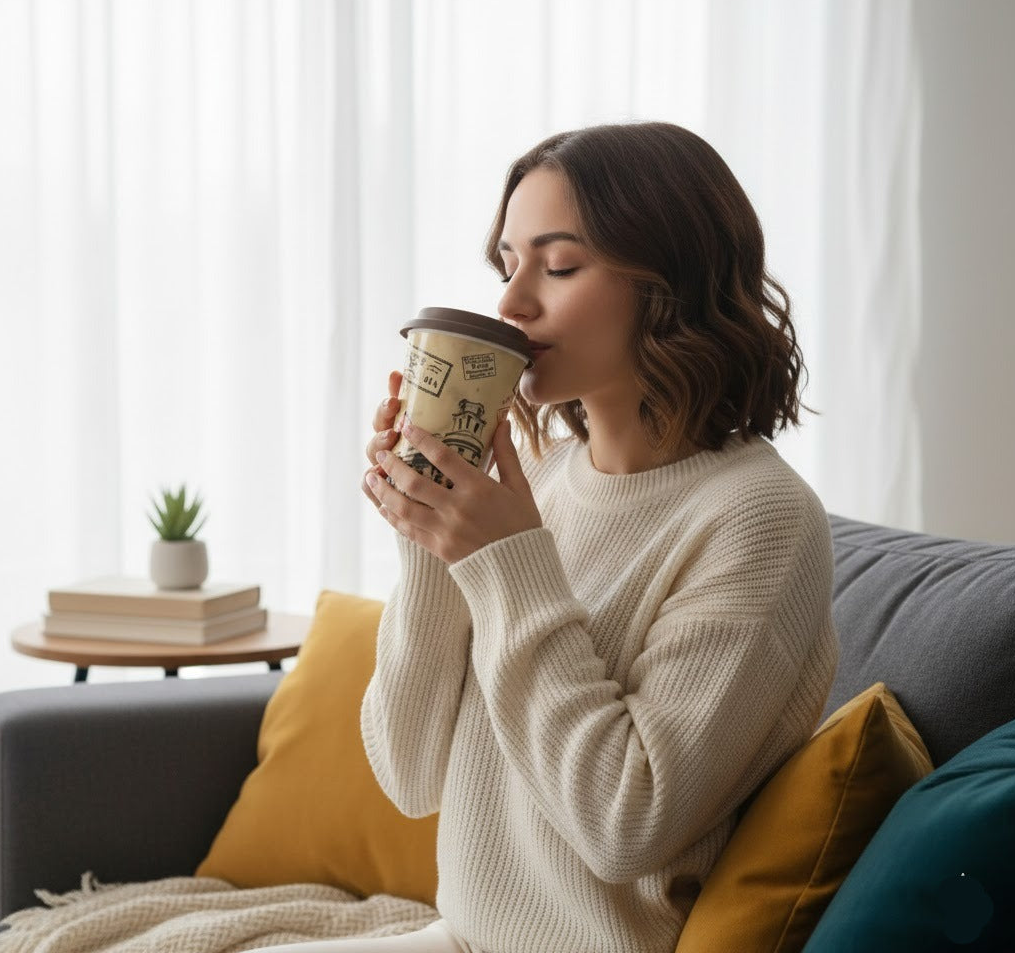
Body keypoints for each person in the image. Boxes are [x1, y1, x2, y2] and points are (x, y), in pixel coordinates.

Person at [267, 122, 838, 953]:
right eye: (508, 263)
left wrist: (504, 561)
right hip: (460, 936)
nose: (511, 302)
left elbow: (624, 823)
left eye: (560, 264)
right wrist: (433, 541)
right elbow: (410, 773)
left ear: (670, 282)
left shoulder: (760, 519)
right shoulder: (539, 481)